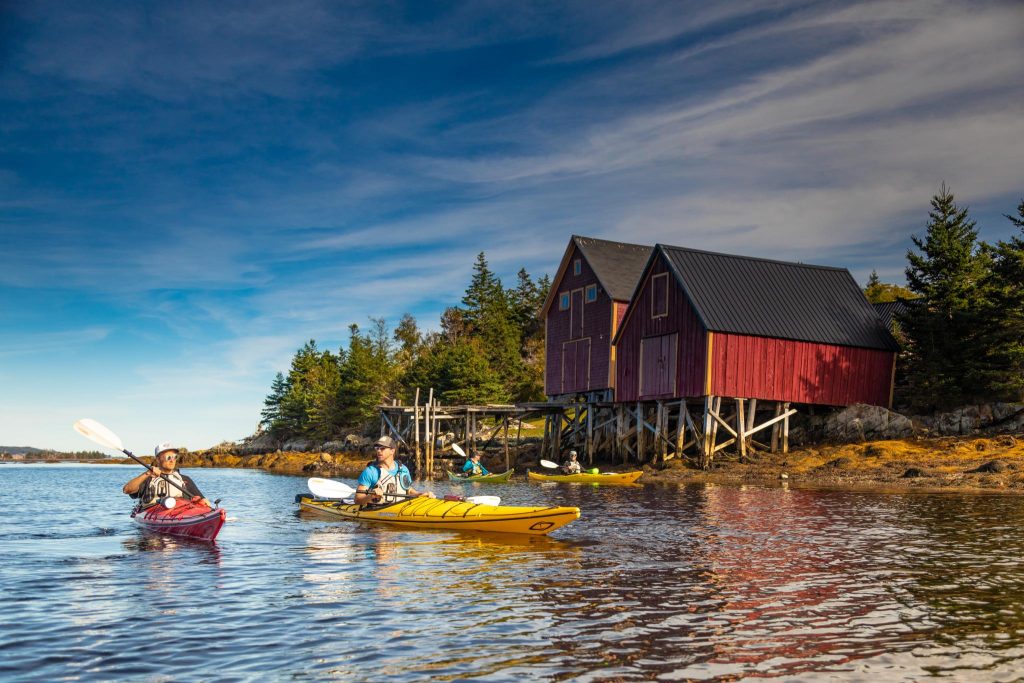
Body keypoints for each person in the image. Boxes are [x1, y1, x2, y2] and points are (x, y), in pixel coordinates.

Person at [122, 442, 211, 507]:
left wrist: (204, 503)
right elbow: (127, 490)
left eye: (175, 457)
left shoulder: (184, 480)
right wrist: (147, 473)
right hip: (153, 513)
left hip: (181, 512)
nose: (172, 460)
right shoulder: (148, 478)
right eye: (168, 457)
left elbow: (203, 500)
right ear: (158, 459)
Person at [355, 436, 436, 506]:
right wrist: (371, 496)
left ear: (392, 451)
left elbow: (408, 490)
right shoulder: (370, 471)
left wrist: (420, 494)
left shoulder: (403, 469)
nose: (378, 451)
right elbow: (357, 500)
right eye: (377, 448)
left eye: (382, 448)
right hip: (376, 511)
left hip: (400, 510)